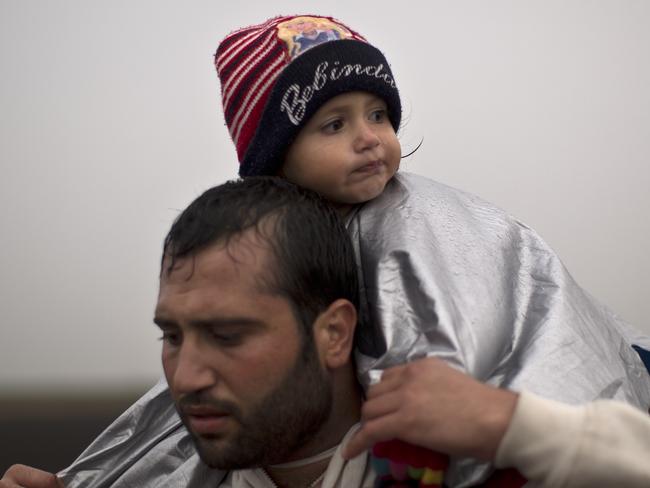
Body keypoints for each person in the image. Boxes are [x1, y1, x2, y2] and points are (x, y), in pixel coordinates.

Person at [11, 13, 650, 487]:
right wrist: (88, 478)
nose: (371, 140)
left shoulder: (414, 219)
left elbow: (439, 360)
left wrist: (511, 428)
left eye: (379, 114)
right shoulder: (271, 246)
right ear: (275, 161)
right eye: (334, 125)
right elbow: (165, 418)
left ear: (337, 330)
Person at [0, 177, 374, 488]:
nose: (185, 377)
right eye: (173, 337)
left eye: (227, 335)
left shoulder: (425, 468)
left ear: (334, 333)